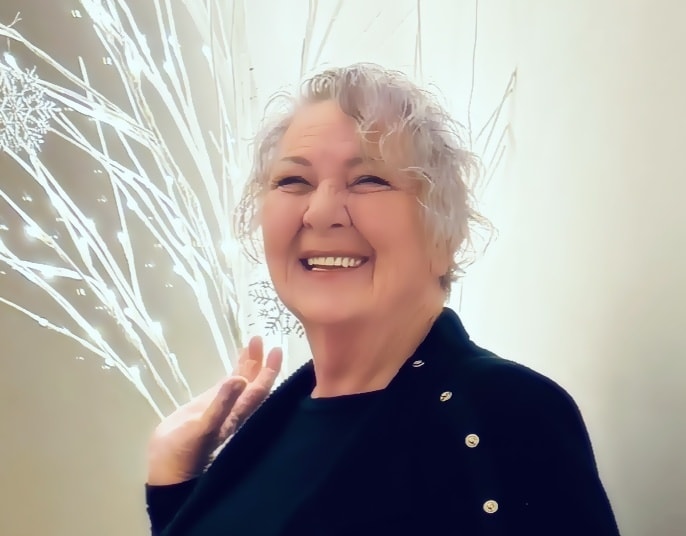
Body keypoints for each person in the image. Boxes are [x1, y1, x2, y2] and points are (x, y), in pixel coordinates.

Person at [145, 63, 620, 535]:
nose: (321, 212)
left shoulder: (506, 413)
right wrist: (173, 482)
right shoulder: (274, 426)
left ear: (445, 234)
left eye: (368, 180)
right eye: (294, 181)